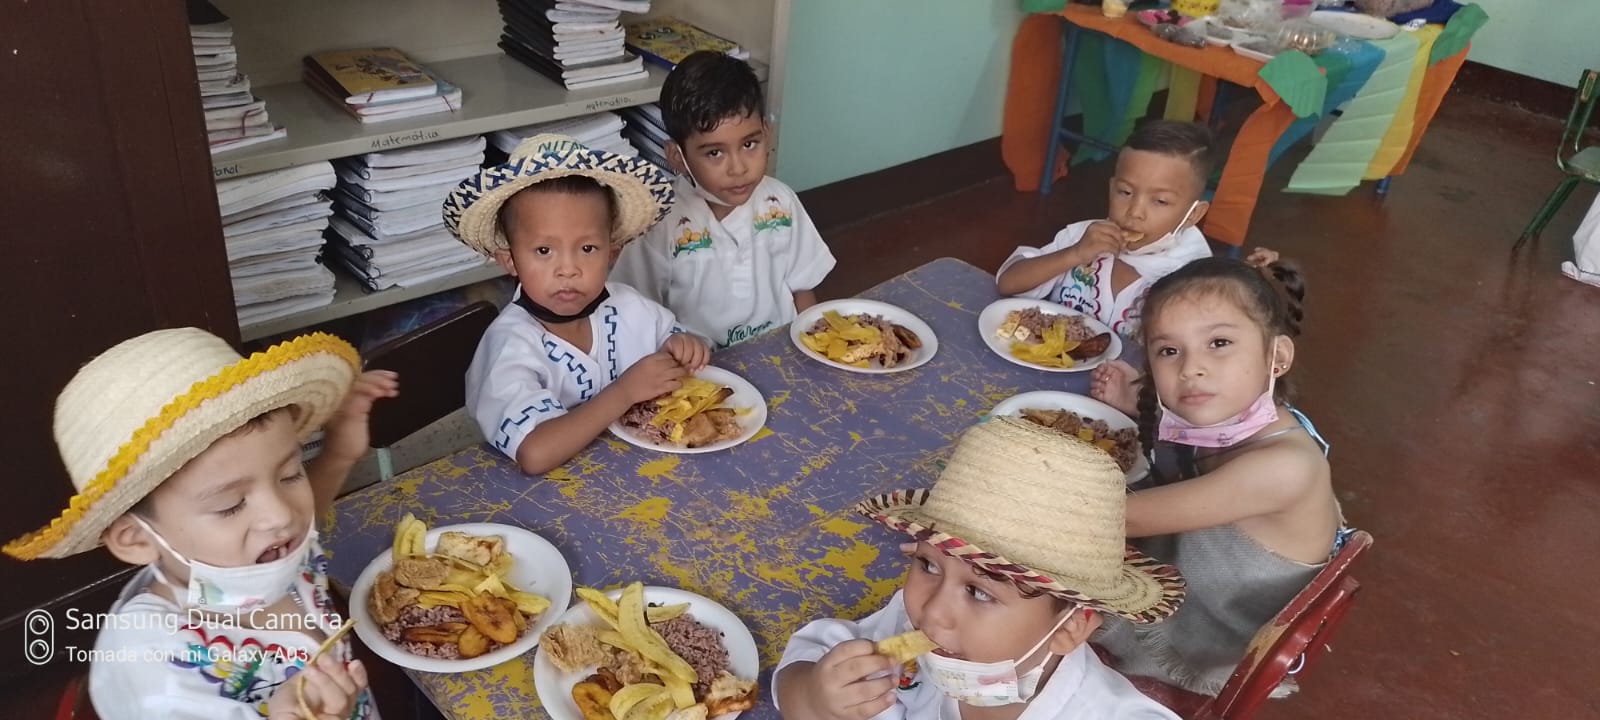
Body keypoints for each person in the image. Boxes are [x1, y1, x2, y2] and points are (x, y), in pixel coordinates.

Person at [3, 328, 397, 719]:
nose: (282, 515)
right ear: (136, 538)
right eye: (230, 505)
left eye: (290, 474)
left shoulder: (264, 553)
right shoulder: (151, 672)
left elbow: (303, 532)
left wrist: (339, 454)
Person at [774, 417, 1186, 720]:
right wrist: (815, 699)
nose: (933, 612)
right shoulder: (916, 629)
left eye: (979, 591)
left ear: (1069, 628)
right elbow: (809, 663)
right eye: (928, 564)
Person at [1088, 256, 1349, 696]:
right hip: (1179, 582)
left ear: (1277, 357)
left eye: (1219, 343)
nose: (1191, 368)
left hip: (1194, 638)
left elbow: (1116, 518)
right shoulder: (1235, 421)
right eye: (1169, 351)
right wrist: (1140, 404)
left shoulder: (1284, 468)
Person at [444, 134, 712, 474]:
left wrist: (684, 346)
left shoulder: (628, 306)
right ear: (510, 261)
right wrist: (624, 392)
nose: (568, 269)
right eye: (544, 251)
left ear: (612, 253)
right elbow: (534, 454)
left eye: (587, 249)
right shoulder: (509, 346)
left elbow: (678, 344)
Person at [612, 51, 836, 350]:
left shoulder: (781, 202)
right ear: (677, 156)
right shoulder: (658, 222)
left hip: (781, 350)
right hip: (701, 367)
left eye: (749, 144)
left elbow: (802, 289)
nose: (738, 168)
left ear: (766, 134)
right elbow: (636, 313)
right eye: (714, 153)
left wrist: (813, 350)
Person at [996, 121, 1217, 339]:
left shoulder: (1195, 279)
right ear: (1112, 188)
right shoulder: (1082, 237)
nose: (1135, 212)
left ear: (1193, 214)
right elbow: (1008, 283)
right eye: (1125, 192)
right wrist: (1075, 254)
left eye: (1160, 201)